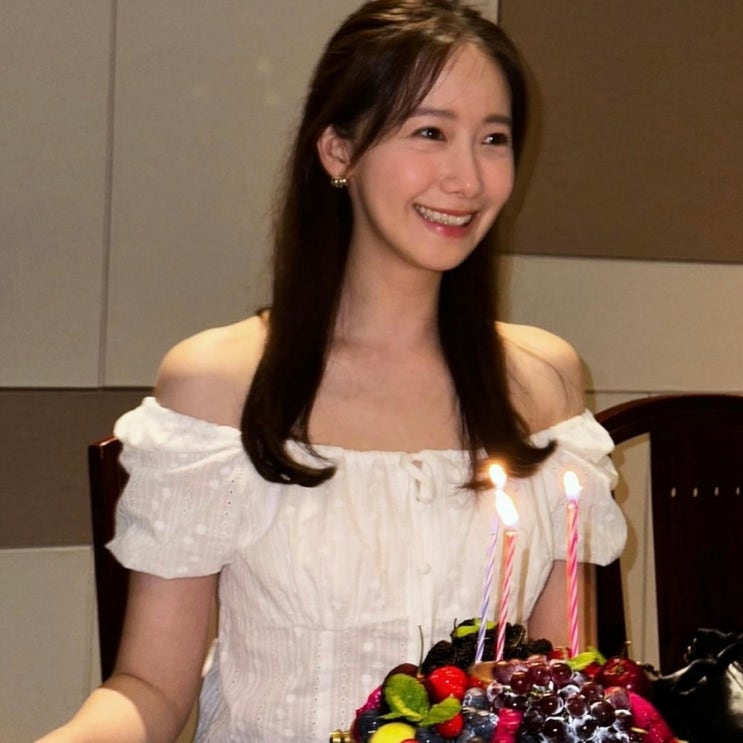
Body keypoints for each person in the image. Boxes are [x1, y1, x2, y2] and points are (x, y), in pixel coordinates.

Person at [39, 1, 626, 741]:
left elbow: (562, 686)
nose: (467, 178)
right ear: (338, 151)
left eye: (493, 139)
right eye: (430, 132)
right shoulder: (218, 383)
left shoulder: (541, 385)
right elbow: (151, 688)